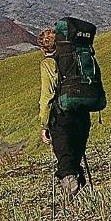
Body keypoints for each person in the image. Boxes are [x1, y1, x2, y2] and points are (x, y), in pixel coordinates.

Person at [37, 28, 91, 199]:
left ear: (43, 48)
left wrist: (44, 124)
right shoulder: (76, 56)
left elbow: (47, 95)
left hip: (61, 117)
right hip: (82, 112)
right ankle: (82, 198)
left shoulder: (48, 64)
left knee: (65, 161)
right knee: (75, 155)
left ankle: (72, 197)